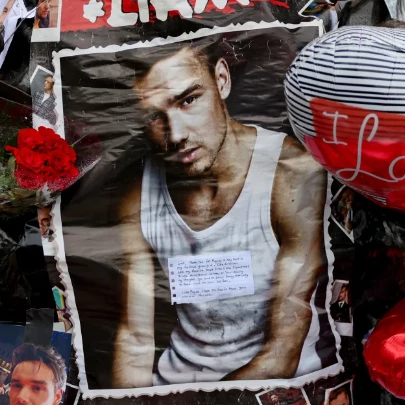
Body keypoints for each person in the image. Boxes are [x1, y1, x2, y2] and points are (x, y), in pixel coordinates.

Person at [113, 40, 328, 387]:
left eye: (188, 100)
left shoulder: (290, 174)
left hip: (273, 387)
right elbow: (134, 339)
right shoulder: (137, 198)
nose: (177, 135)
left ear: (222, 80)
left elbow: (282, 350)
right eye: (155, 116)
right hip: (176, 385)